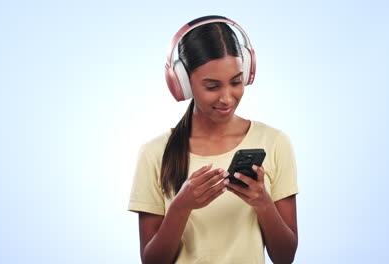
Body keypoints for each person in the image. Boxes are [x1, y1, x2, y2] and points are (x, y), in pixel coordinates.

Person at [128, 15, 299, 264]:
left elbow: (285, 257)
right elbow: (152, 261)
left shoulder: (274, 142)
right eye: (212, 86)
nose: (227, 98)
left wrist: (263, 203)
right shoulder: (154, 153)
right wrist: (181, 207)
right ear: (183, 84)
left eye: (236, 82)